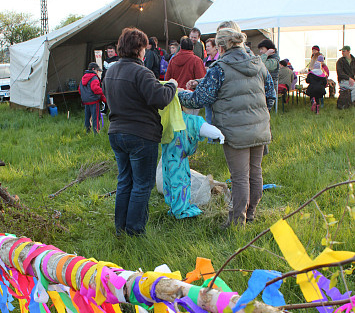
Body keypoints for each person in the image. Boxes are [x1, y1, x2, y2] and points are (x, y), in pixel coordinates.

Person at [178, 25, 272, 227]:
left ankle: (237, 222)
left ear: (220, 47)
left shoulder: (219, 69)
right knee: (255, 173)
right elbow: (270, 96)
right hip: (260, 127)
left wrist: (178, 94)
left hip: (234, 130)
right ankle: (251, 213)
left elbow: (199, 100)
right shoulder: (258, 64)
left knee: (239, 178)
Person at [102, 27, 177, 237]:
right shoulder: (141, 72)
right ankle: (135, 231)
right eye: (144, 47)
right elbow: (160, 98)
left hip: (116, 132)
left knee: (125, 180)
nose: (146, 51)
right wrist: (172, 86)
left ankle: (121, 229)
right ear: (139, 49)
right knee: (142, 184)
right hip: (141, 135)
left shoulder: (111, 71)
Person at [78, 62, 106, 134]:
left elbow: (79, 89)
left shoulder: (83, 77)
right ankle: (96, 133)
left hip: (86, 101)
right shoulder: (94, 78)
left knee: (87, 117)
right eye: (97, 70)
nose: (97, 72)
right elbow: (95, 89)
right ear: (93, 69)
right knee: (96, 117)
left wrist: (85, 96)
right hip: (94, 100)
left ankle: (87, 131)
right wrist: (104, 92)